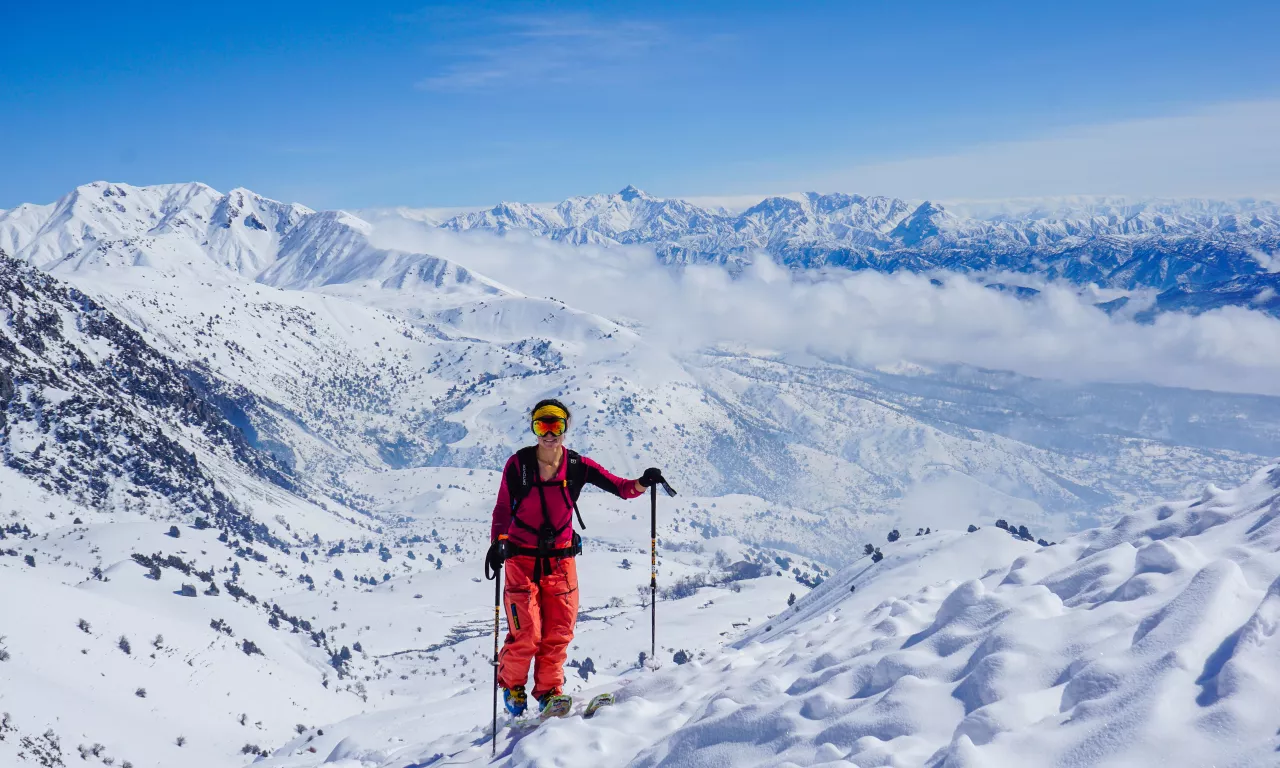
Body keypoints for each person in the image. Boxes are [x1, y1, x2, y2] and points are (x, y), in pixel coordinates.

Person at [486, 398, 666, 717]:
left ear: (566, 428)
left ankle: (550, 692)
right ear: (533, 428)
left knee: (559, 630)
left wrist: (643, 482)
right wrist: (498, 542)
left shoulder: (577, 466)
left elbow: (621, 488)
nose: (549, 433)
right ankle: (512, 686)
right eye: (542, 425)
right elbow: (502, 508)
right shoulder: (518, 466)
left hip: (561, 560)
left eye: (556, 425)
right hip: (521, 560)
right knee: (527, 631)